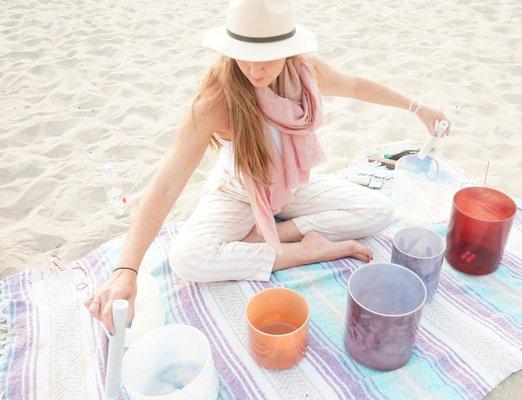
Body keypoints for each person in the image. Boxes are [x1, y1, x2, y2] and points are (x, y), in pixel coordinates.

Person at [84, 0, 451, 334]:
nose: (255, 69)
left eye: (268, 56)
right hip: (239, 193)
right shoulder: (217, 100)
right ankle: (308, 249)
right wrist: (125, 270)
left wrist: (418, 109)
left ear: (289, 50)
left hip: (292, 186)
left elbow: (355, 86)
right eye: (245, 55)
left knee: (378, 211)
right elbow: (166, 186)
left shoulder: (305, 73)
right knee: (186, 258)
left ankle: (277, 233)